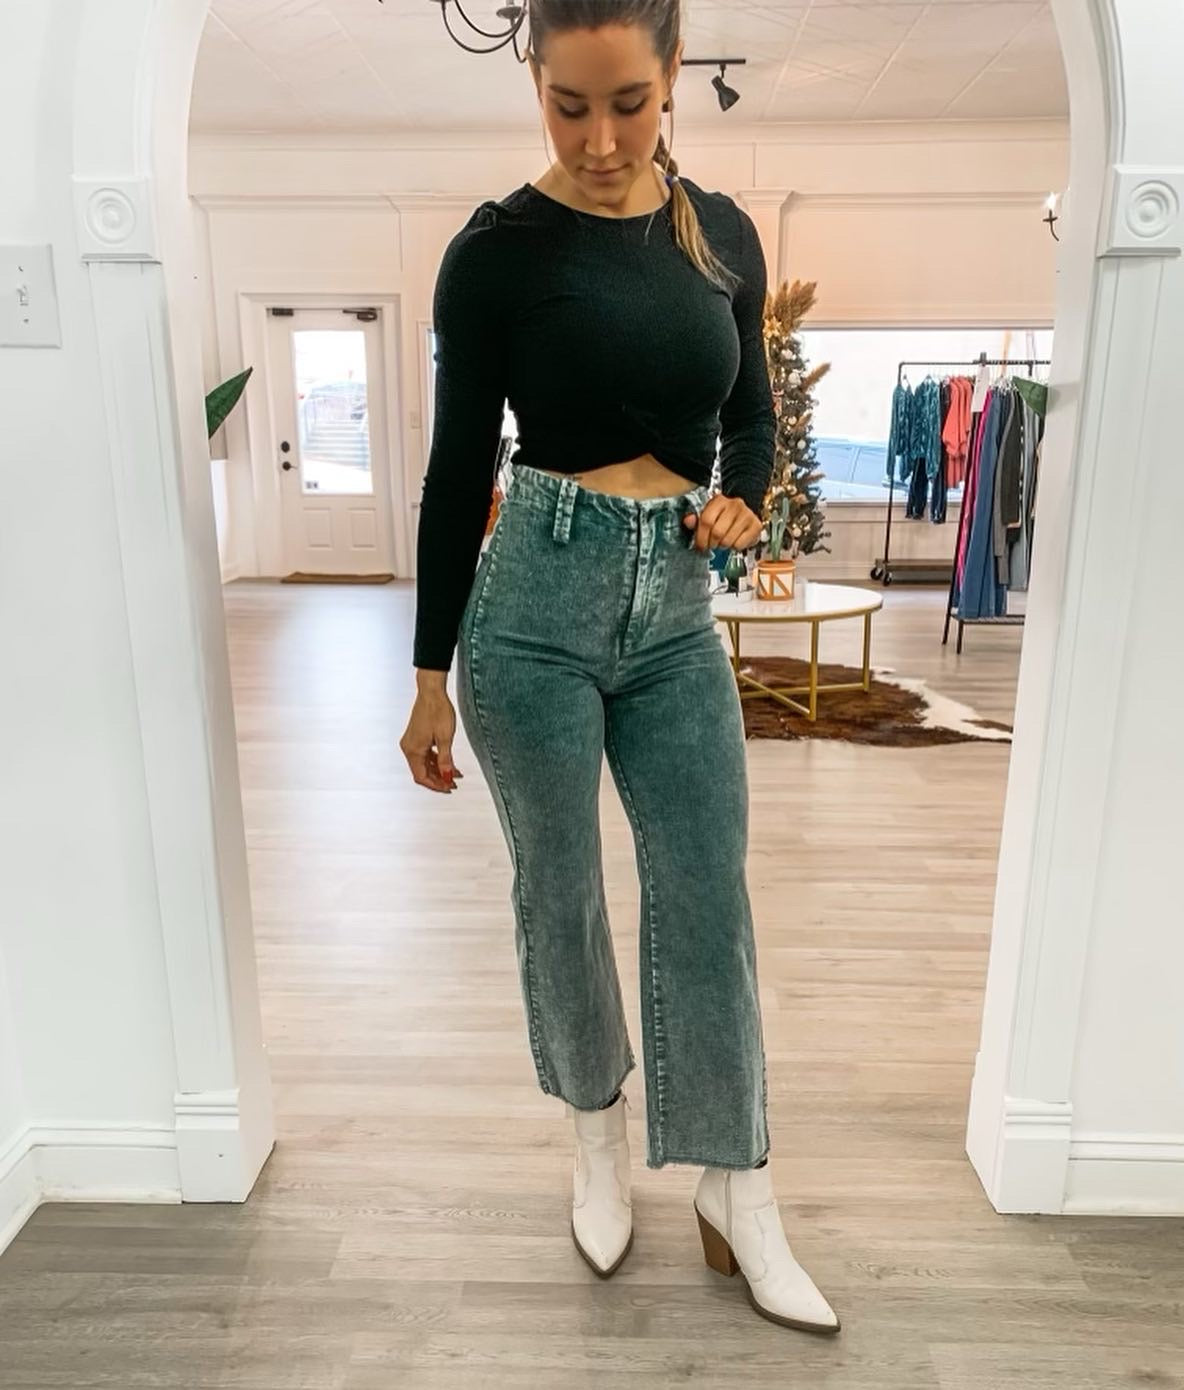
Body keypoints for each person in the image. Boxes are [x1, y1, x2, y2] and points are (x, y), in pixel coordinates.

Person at [399, 0, 840, 1336]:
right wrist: (428, 674)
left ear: (674, 76)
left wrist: (746, 495)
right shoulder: (494, 255)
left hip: (676, 614)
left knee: (708, 891)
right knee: (560, 890)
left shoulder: (724, 236)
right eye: (569, 105)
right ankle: (594, 1137)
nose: (600, 140)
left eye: (630, 104)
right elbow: (456, 469)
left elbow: (751, 416)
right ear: (534, 81)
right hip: (533, 602)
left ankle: (736, 1184)